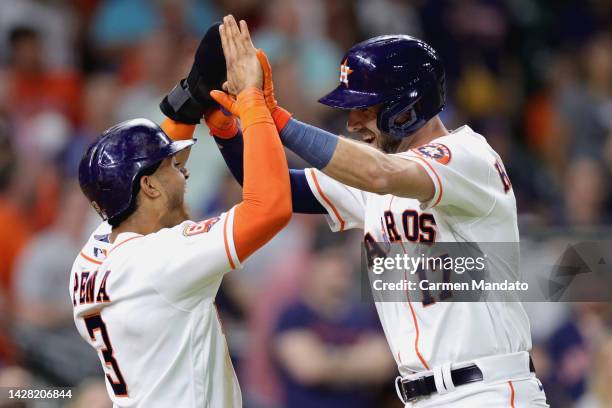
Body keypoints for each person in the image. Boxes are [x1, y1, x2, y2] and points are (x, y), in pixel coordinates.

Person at [207, 25, 549, 406]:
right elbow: (278, 189)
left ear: (406, 108)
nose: (353, 123)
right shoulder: (376, 170)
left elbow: (380, 174)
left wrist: (274, 116)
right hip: (422, 395)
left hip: (487, 390)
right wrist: (228, 129)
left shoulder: (469, 157)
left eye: (365, 109)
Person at [71, 18, 291, 407]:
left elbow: (149, 170)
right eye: (173, 166)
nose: (184, 168)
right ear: (150, 188)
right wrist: (252, 102)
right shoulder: (161, 260)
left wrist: (191, 95)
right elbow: (270, 208)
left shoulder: (93, 253)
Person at [273, 235, 394, 408]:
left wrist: (327, 358)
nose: (341, 268)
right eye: (332, 259)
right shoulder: (294, 315)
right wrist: (359, 360)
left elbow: (384, 365)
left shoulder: (365, 315)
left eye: (344, 260)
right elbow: (309, 368)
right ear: (313, 264)